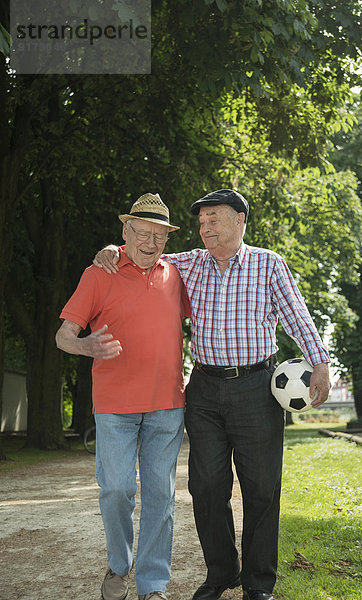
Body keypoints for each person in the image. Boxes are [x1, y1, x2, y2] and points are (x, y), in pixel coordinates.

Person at [94, 189, 331, 600]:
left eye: (214, 220)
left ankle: (258, 583)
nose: (205, 229)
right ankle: (222, 574)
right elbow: (145, 250)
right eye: (202, 222)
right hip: (202, 390)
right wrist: (112, 248)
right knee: (205, 488)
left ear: (240, 220)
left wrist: (321, 360)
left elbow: (296, 314)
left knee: (260, 488)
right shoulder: (188, 264)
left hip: (257, 388)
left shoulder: (268, 264)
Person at [56, 193, 190, 600]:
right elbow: (63, 337)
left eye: (160, 237)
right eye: (143, 233)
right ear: (125, 231)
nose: (151, 244)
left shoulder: (176, 273)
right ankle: (118, 565)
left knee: (160, 496)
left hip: (167, 404)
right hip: (115, 407)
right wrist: (87, 347)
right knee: (116, 489)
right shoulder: (99, 273)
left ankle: (153, 585)